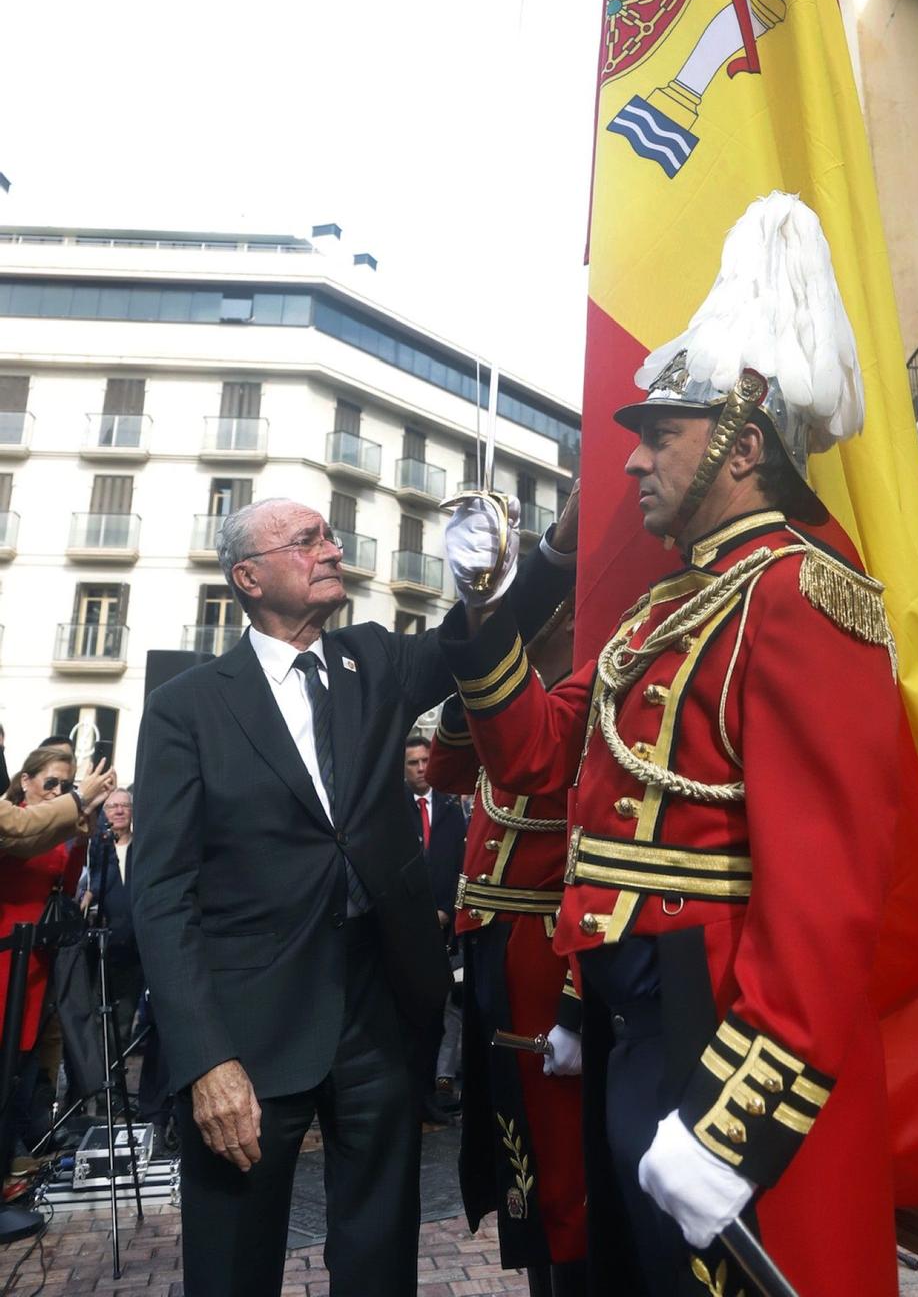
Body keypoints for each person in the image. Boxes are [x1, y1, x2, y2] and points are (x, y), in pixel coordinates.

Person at [441, 195, 900, 1297]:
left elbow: (827, 894)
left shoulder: (801, 593)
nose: (636, 459)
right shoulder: (658, 611)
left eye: (661, 435)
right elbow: (542, 768)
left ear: (741, 447)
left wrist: (735, 1121)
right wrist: (487, 614)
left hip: (717, 1009)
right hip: (629, 1004)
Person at [131, 495, 575, 1297]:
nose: (332, 550)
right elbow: (159, 893)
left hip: (378, 1016)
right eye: (307, 541)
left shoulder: (371, 663)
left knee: (379, 1255)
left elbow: (471, 636)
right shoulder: (186, 708)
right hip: (250, 1032)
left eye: (330, 535)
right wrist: (204, 1060)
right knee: (232, 1262)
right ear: (249, 578)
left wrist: (556, 547)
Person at [428, 598, 587, 1297]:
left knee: (559, 1154)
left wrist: (578, 999)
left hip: (550, 953)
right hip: (496, 948)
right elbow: (445, 772)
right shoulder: (521, 697)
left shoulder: (590, 700)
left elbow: (598, 862)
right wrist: (482, 681)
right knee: (512, 1140)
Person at [0, 745, 112, 1177]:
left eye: (66, 784)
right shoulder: (19, 822)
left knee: (28, 1060)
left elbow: (63, 886)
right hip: (9, 956)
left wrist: (82, 832)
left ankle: (15, 1151)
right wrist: (76, 802)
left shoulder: (53, 826)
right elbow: (27, 837)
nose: (60, 791)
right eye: (52, 783)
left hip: (39, 961)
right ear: (25, 781)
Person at [403, 732, 467, 1121]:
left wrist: (446, 910)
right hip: (407, 931)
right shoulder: (394, 809)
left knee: (447, 1012)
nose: (421, 768)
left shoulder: (449, 807)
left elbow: (458, 862)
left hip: (445, 930)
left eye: (425, 761)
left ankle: (436, 1089)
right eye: (413, 763)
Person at [83, 788, 142, 1052]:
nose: (118, 811)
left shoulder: (142, 848)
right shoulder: (98, 848)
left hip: (135, 947)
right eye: (112, 806)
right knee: (95, 1016)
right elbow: (91, 885)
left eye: (124, 806)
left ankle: (114, 1079)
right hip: (103, 945)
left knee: (124, 1019)